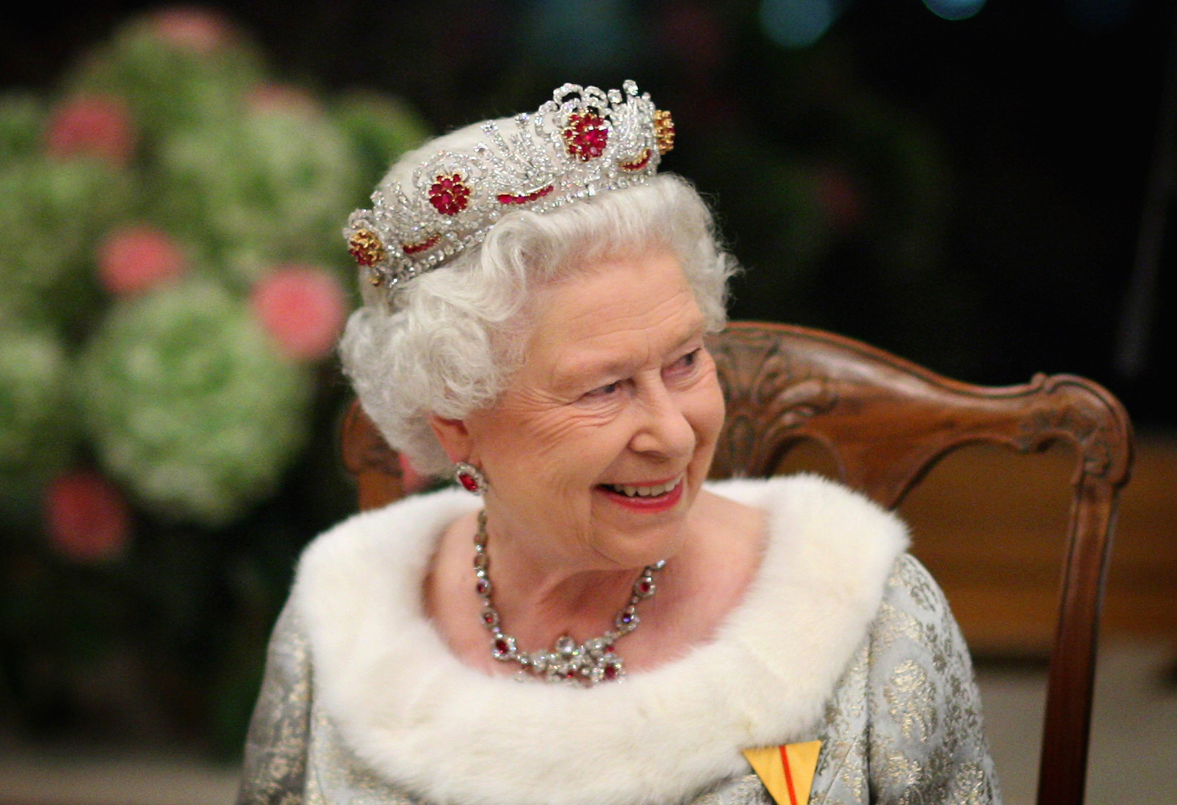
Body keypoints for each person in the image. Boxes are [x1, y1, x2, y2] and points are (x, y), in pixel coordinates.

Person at [236, 81, 1001, 805]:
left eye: (686, 360)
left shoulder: (868, 617)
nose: (672, 433)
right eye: (604, 388)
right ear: (455, 418)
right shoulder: (339, 625)